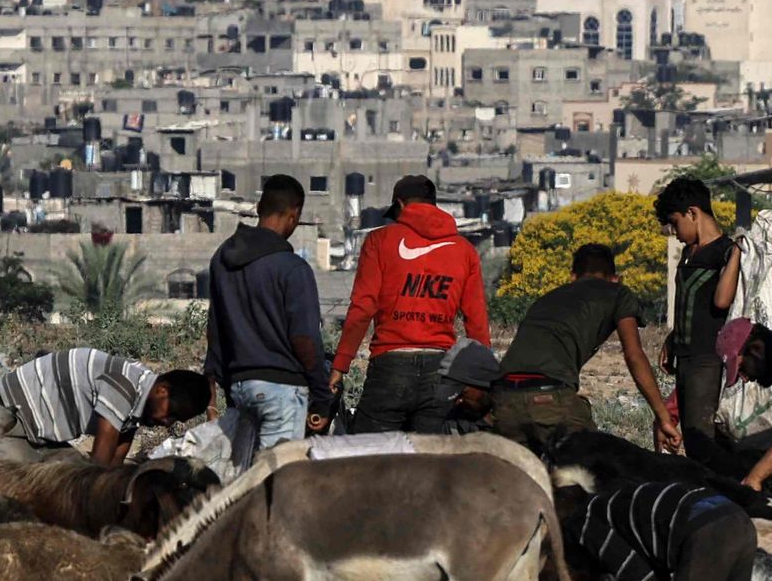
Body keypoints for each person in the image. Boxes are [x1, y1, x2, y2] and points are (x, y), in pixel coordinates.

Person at [327, 177, 493, 435]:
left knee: (371, 460)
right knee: (429, 465)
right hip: (441, 371)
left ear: (401, 205)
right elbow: (476, 319)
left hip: (390, 366)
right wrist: (482, 377)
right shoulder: (464, 250)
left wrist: (340, 365)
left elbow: (362, 308)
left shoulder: (379, 241)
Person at [483, 241, 665, 443]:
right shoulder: (617, 293)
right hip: (550, 396)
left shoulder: (546, 298)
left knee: (523, 472)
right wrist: (663, 417)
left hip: (503, 398)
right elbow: (634, 355)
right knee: (591, 468)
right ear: (615, 279)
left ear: (572, 277)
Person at [205, 175, 326, 462]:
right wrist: (322, 394)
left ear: (259, 208)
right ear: (294, 215)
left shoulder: (221, 259)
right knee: (276, 482)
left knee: (246, 479)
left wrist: (215, 388)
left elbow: (215, 331)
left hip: (239, 389)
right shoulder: (294, 269)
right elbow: (304, 339)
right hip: (281, 392)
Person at [564, 465, 756, 581]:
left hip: (703, 529)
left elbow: (632, 570)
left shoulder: (582, 523)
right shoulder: (618, 511)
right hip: (739, 521)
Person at [652, 174, 743, 472]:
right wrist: (673, 338)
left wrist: (737, 254)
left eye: (676, 223)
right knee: (674, 426)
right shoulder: (689, 255)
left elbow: (720, 301)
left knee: (702, 439)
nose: (675, 232)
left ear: (693, 213)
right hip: (687, 361)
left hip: (709, 362)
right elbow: (689, 302)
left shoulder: (726, 251)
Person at [0, 344, 157, 457]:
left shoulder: (138, 397)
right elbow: (101, 462)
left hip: (37, 429)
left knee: (71, 471)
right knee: (20, 485)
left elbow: (114, 460)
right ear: (162, 391)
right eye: (172, 414)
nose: (168, 422)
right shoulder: (123, 386)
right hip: (6, 414)